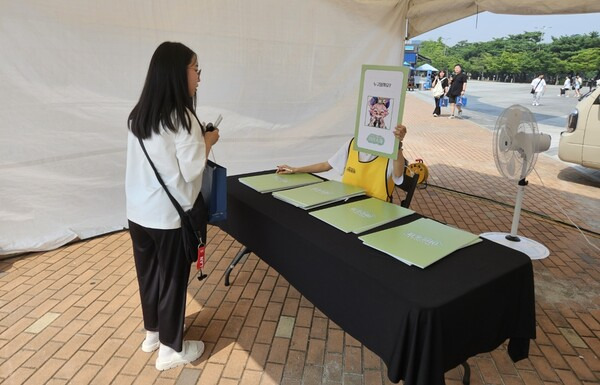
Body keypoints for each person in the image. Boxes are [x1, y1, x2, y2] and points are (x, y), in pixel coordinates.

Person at [126, 42, 220, 371]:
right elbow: (192, 169)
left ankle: (153, 334)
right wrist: (208, 140)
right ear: (177, 73)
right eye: (195, 69)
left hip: (138, 212)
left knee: (149, 276)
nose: (198, 77)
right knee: (172, 280)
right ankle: (170, 350)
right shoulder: (182, 117)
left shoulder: (140, 114)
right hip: (169, 216)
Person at [276, 124, 407, 202]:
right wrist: (295, 169)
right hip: (348, 206)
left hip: (377, 212)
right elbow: (326, 165)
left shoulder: (390, 152)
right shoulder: (352, 144)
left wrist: (397, 146)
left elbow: (398, 173)